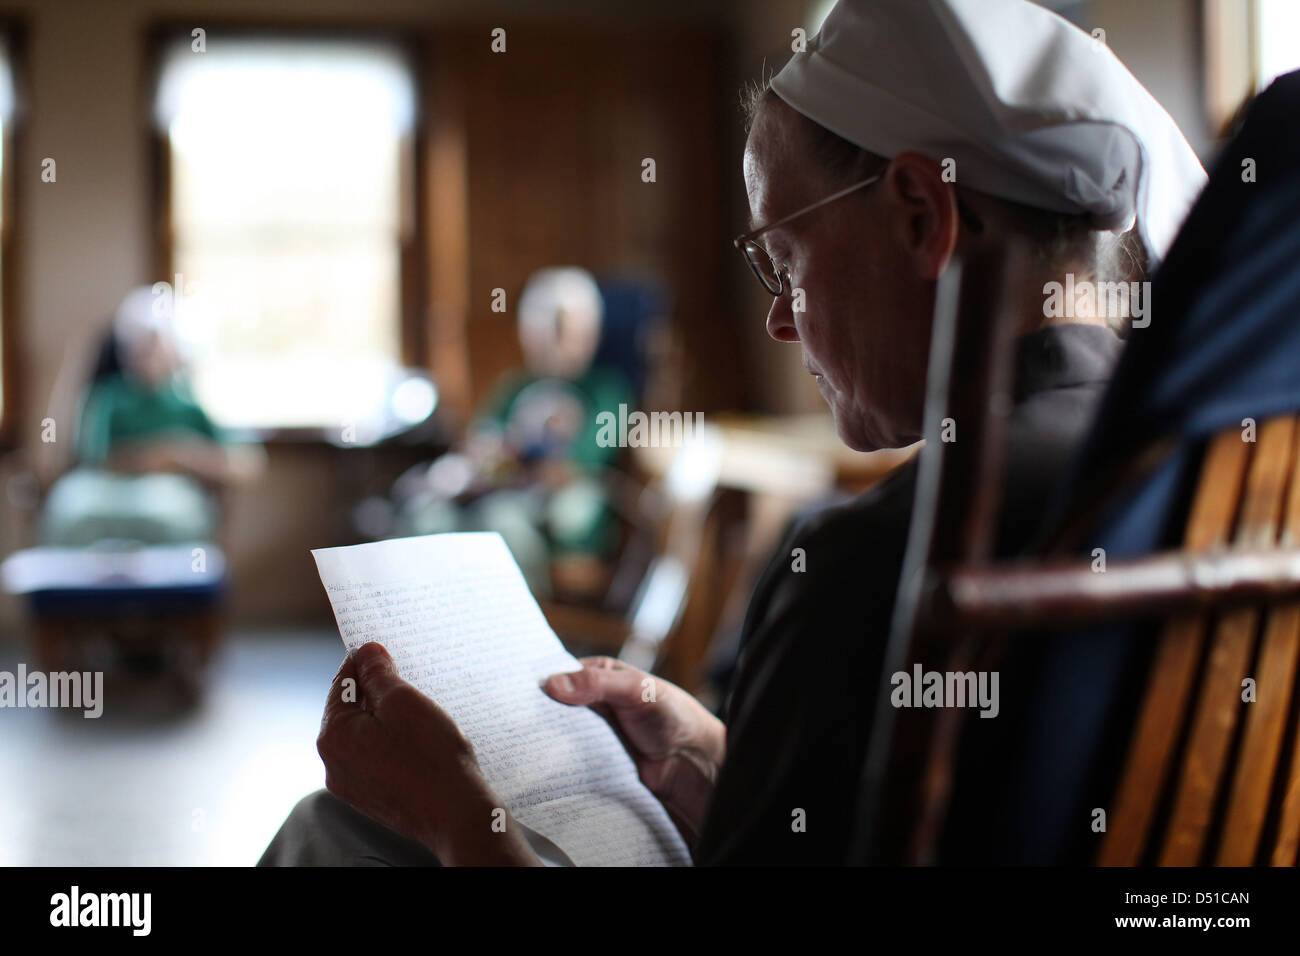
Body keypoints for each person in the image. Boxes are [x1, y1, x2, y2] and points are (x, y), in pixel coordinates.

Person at [259, 0, 1206, 866]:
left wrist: (458, 813)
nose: (780, 323)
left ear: (923, 216)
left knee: (337, 830)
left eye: (783, 258)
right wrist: (722, 762)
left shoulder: (878, 559)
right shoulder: (1209, 474)